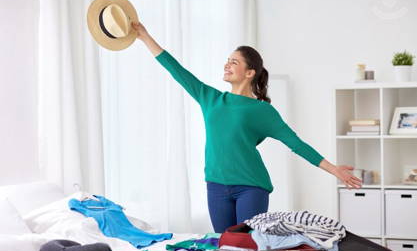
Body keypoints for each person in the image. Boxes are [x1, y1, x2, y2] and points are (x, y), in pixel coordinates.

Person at [131, 21, 362, 233]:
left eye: (234, 61)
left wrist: (334, 170)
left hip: (251, 187)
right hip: (216, 187)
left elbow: (296, 144)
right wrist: (144, 37)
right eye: (227, 60)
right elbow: (177, 70)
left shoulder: (263, 111)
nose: (227, 64)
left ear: (250, 72)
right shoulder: (210, 98)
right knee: (227, 246)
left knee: (250, 248)